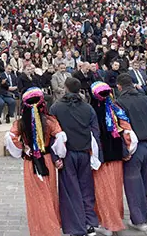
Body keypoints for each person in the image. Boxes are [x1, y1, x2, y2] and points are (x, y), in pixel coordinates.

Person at [4, 87, 67, 236]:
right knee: (49, 192)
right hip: (46, 160)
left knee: (35, 195)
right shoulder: (50, 121)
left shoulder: (20, 123)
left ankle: (39, 227)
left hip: (30, 161)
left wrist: (24, 148)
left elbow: (10, 137)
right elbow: (60, 138)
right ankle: (52, 225)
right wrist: (59, 156)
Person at [49, 77, 100, 236]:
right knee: (86, 189)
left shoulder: (56, 108)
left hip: (67, 153)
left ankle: (76, 228)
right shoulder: (88, 108)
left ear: (65, 88)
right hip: (84, 152)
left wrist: (55, 157)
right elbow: (95, 132)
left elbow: (51, 134)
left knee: (71, 191)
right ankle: (89, 223)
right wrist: (95, 155)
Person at [115, 73, 147, 231]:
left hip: (133, 148)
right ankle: (146, 212)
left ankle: (139, 220)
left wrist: (125, 150)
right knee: (144, 180)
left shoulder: (119, 102)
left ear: (119, 86)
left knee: (133, 183)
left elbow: (119, 130)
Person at [90, 81, 137, 235]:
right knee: (116, 190)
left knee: (103, 191)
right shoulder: (116, 109)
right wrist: (127, 149)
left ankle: (108, 224)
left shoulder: (91, 111)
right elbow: (126, 130)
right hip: (117, 156)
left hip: (102, 158)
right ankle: (115, 220)